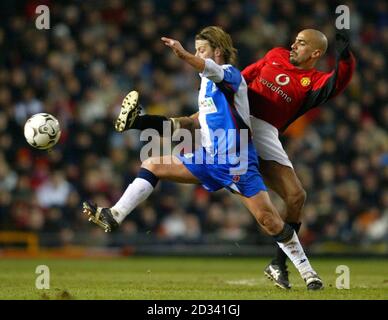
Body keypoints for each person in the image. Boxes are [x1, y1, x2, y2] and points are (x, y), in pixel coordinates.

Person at [83, 26, 323, 290]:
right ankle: (114, 214)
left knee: (269, 221)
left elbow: (211, 70)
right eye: (196, 50)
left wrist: (184, 54)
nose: (197, 54)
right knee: (152, 164)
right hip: (207, 159)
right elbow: (188, 123)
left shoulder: (231, 76)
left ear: (217, 52)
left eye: (201, 50)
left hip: (237, 162)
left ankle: (307, 273)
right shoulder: (205, 86)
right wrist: (141, 122)